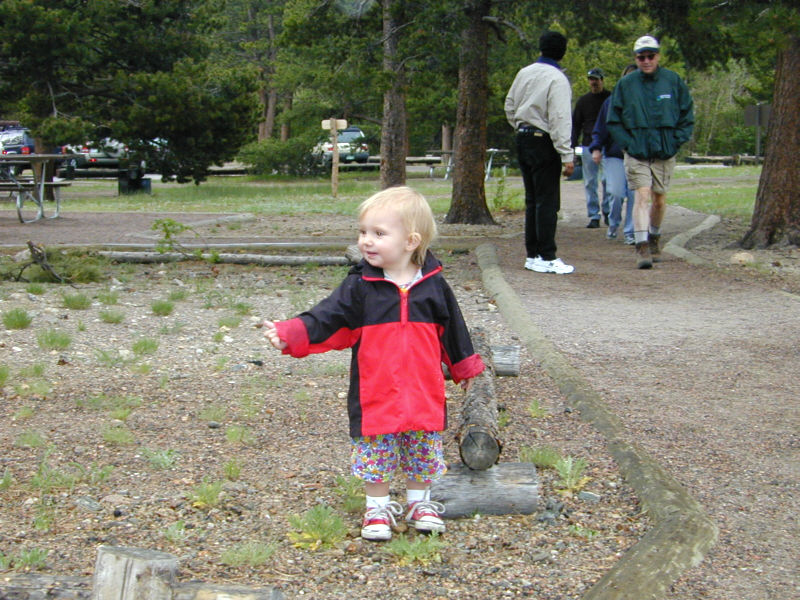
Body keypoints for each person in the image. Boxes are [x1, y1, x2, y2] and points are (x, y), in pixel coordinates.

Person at [262, 186, 485, 542]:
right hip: (375, 390)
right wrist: (291, 332)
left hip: (422, 389)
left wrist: (464, 367)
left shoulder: (433, 285)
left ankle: (419, 503)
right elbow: (328, 316)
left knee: (422, 450)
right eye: (363, 232)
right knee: (376, 452)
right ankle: (377, 508)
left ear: (411, 241)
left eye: (379, 234)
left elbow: (453, 329)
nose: (367, 241)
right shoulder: (360, 286)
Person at [606, 35, 694, 269]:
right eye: (641, 57)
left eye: (650, 56)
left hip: (664, 151)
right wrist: (628, 144)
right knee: (641, 195)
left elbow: (687, 116)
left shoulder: (672, 81)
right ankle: (642, 244)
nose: (646, 61)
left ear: (658, 56)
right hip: (637, 152)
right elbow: (613, 120)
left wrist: (675, 142)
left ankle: (654, 236)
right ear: (635, 59)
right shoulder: (626, 85)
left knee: (659, 200)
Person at [504, 30, 575, 275]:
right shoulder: (557, 79)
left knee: (532, 199)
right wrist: (566, 154)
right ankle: (547, 255)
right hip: (544, 139)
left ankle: (532, 254)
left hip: (523, 137)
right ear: (562, 52)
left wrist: (520, 125)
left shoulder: (524, 73)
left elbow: (509, 105)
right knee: (547, 201)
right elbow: (560, 117)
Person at [589, 64, 638, 245]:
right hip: (615, 154)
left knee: (635, 195)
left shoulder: (646, 101)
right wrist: (596, 147)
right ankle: (613, 223)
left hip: (637, 155)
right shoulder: (612, 101)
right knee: (616, 193)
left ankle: (630, 231)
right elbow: (601, 127)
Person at [571, 68, 611, 229]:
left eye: (596, 79)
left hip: (608, 144)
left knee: (608, 179)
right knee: (590, 182)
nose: (593, 82)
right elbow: (576, 126)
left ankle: (608, 210)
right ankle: (594, 214)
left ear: (602, 80)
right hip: (588, 144)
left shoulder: (610, 98)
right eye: (591, 80)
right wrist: (573, 147)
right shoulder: (583, 101)